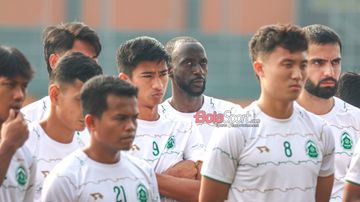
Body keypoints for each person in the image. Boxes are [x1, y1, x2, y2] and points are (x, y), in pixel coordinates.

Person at [200, 24, 335, 202]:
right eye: (287, 64)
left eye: (303, 65)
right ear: (259, 68)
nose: (297, 74)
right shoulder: (234, 130)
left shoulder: (321, 131)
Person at [41, 75, 160, 201]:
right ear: (91, 122)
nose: (131, 126)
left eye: (134, 118)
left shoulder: (144, 172)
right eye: (120, 118)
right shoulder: (66, 179)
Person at [117, 36, 205, 202]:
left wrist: (139, 179)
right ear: (125, 80)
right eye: (148, 76)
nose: (158, 85)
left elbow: (200, 192)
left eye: (163, 74)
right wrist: (175, 175)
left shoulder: (185, 128)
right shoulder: (111, 131)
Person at [24, 52, 102, 201]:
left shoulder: (89, 148)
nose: (87, 109)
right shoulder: (21, 145)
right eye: (80, 100)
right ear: (55, 95)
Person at [296, 24, 360, 202]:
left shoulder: (356, 121)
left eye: (335, 62)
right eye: (318, 62)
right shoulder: (273, 120)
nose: (329, 72)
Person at [160, 36, 242, 146]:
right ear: (169, 70)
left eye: (202, 63)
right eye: (188, 63)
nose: (199, 71)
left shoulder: (231, 114)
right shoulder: (156, 120)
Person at [21, 21, 101, 123]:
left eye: (93, 60)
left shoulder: (103, 124)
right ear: (54, 61)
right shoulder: (26, 123)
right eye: (79, 58)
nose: (89, 67)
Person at [0, 45, 35, 201]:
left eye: (24, 86)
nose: (19, 95)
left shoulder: (24, 153)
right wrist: (7, 147)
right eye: (10, 84)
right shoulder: (11, 145)